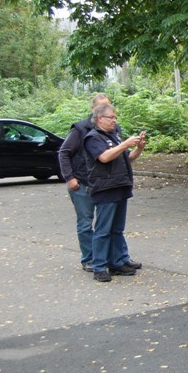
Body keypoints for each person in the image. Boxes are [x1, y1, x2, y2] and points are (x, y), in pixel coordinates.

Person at [58, 93, 130, 272]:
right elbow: (64, 152)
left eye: (109, 107)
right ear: (94, 111)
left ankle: (118, 258)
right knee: (86, 223)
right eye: (101, 107)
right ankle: (90, 259)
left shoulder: (114, 128)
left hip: (105, 183)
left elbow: (119, 153)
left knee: (111, 225)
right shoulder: (80, 129)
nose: (108, 113)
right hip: (82, 182)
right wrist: (69, 177)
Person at [84, 103, 147, 283]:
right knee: (103, 230)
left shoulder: (114, 136)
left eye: (115, 117)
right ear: (99, 118)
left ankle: (117, 262)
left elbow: (128, 158)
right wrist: (125, 144)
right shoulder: (92, 138)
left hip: (120, 186)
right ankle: (99, 266)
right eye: (111, 117)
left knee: (117, 229)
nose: (114, 121)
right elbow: (104, 157)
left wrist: (138, 148)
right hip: (105, 189)